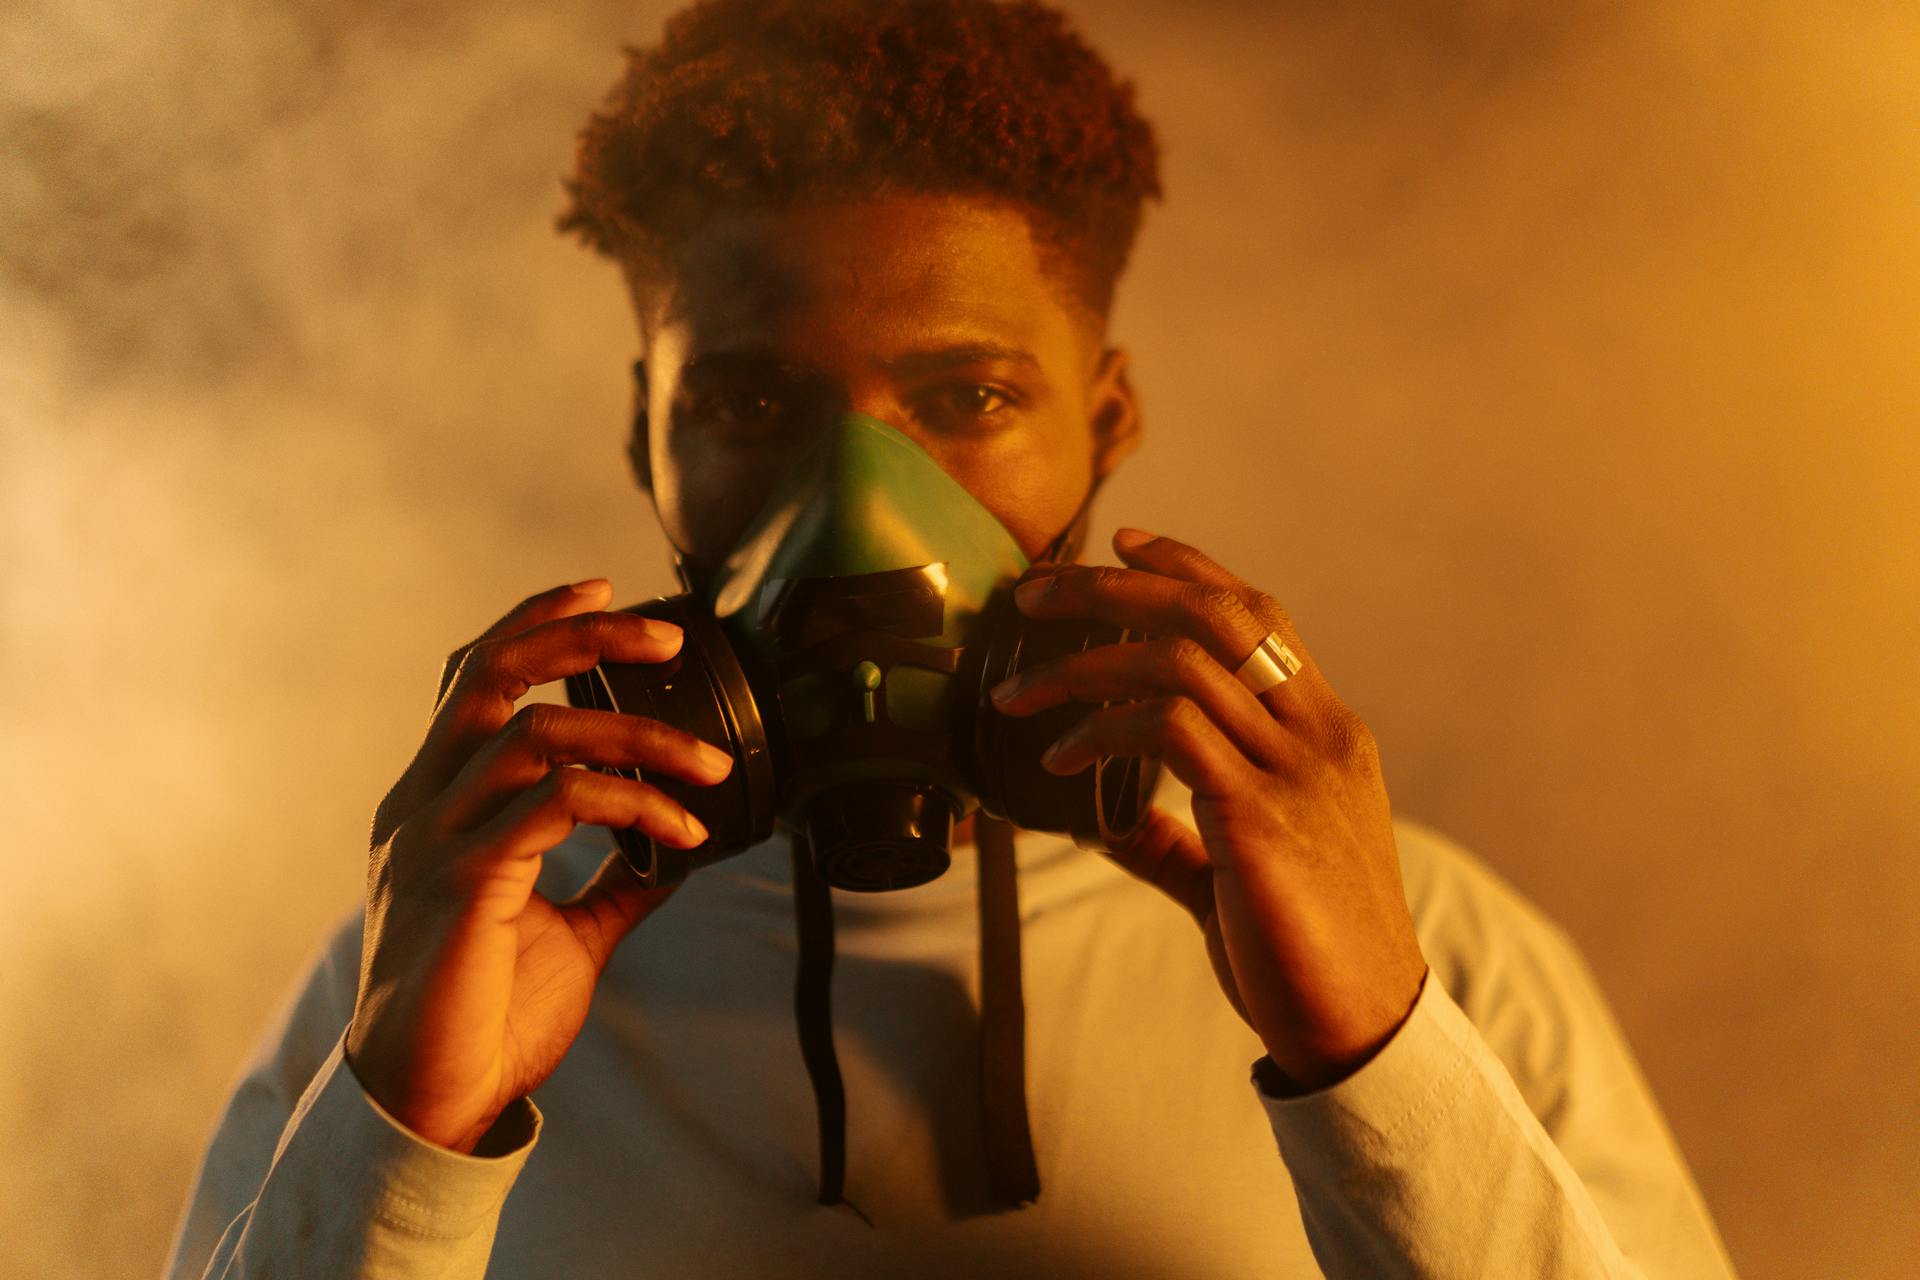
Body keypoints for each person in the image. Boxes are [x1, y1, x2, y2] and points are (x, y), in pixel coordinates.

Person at [163, 0, 1741, 1276]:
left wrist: (1373, 1057)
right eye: (749, 404)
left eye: (969, 400)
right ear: (646, 440)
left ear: (1105, 419)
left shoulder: (1438, 957)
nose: (860, 502)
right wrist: (406, 1136)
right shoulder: (435, 976)